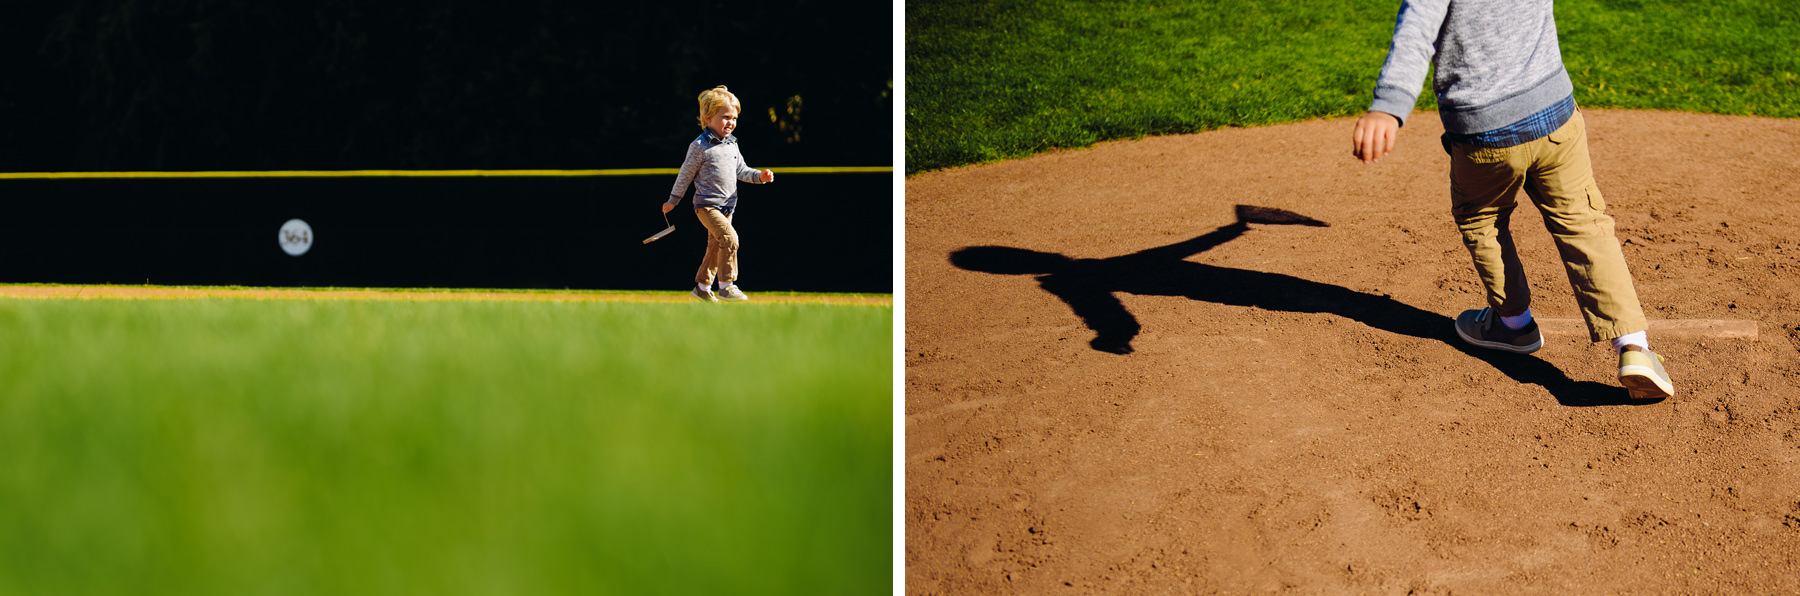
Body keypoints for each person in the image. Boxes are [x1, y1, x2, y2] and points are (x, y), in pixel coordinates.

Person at [1350, 0, 1674, 400]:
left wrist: (1388, 106)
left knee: (1482, 219)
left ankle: (1513, 324)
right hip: (1555, 113)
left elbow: (1416, 32)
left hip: (1484, 131)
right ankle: (1633, 347)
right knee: (1584, 224)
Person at [663, 85, 774, 302]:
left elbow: (741, 170)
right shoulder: (699, 146)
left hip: (728, 207)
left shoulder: (732, 144)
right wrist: (673, 200)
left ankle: (702, 288)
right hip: (706, 206)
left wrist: (759, 176)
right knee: (730, 239)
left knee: (715, 247)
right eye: (725, 117)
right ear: (708, 117)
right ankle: (727, 286)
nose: (730, 122)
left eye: (734, 118)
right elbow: (685, 175)